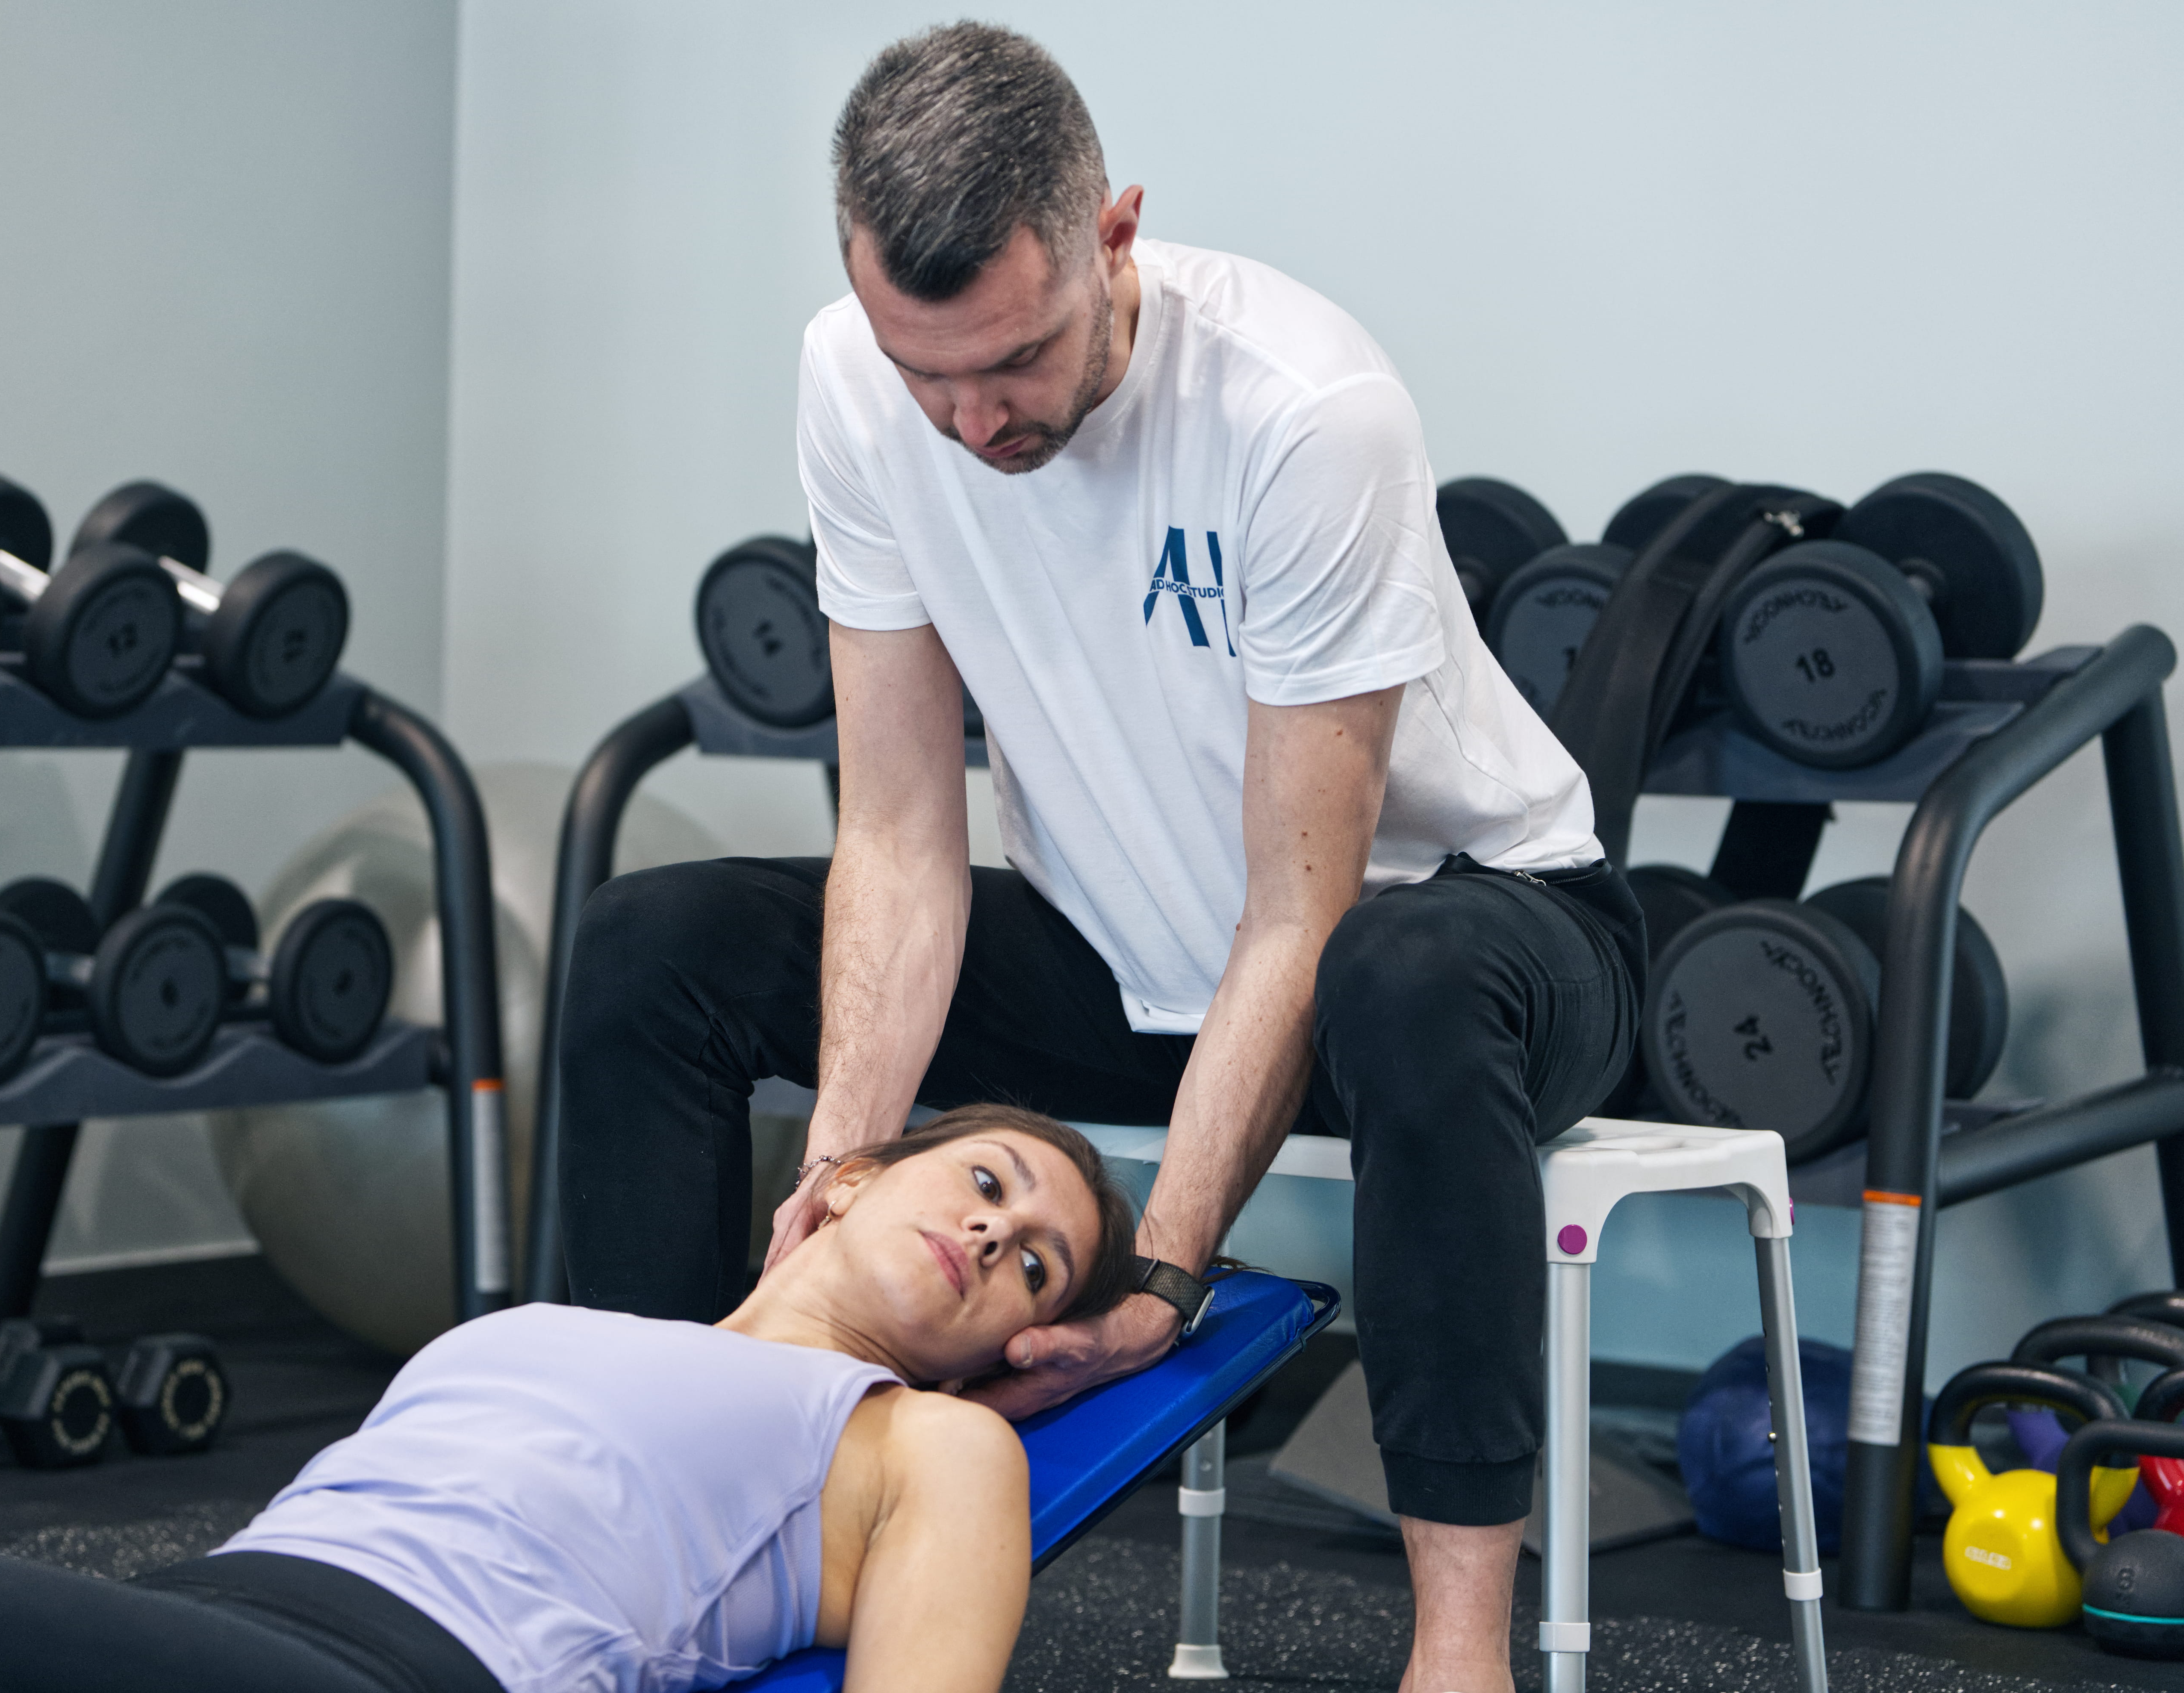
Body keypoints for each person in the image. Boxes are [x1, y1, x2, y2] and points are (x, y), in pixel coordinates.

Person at [555, 24, 1643, 1693]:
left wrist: (1158, 1279)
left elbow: (1302, 915)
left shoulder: (1302, 413)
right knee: (655, 943)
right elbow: (902, 835)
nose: (974, 417)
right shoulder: (856, 378)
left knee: (1400, 976)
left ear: (1114, 235)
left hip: (1469, 940)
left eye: (1017, 359)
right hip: (1115, 949)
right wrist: (834, 1190)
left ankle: (1460, 1654)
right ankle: (646, 1508)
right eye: (936, 377)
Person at [0, 1105, 1135, 1693]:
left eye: (1035, 1267)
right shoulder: (543, 1324)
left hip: (408, 1673)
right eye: (987, 1182)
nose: (999, 1236)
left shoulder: (924, 1439)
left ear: (1008, 1342)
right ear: (853, 1175)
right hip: (205, 1607)